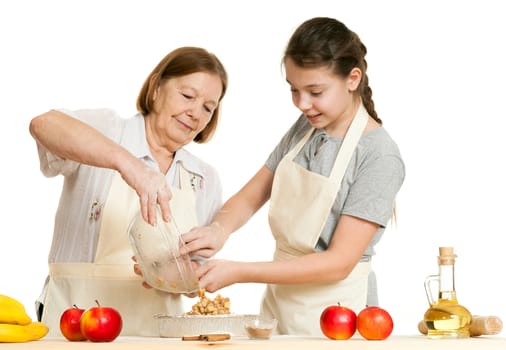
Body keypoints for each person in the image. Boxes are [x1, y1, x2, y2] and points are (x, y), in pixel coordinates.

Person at [182, 17, 405, 335]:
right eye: (294, 90)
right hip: (280, 306)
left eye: (315, 91)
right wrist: (218, 230)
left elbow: (339, 262)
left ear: (353, 78)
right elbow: (253, 193)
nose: (302, 104)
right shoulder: (308, 127)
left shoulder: (379, 155)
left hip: (337, 316)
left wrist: (240, 272)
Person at [29, 46, 228, 336]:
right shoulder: (108, 131)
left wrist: (170, 275)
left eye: (208, 108)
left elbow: (192, 278)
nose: (195, 113)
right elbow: (43, 124)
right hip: (77, 325)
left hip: (159, 334)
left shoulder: (204, 178)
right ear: (157, 87)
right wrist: (130, 165)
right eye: (187, 96)